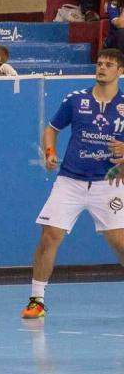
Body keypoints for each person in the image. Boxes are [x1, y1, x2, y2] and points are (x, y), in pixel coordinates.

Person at [22, 48, 124, 319]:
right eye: (100, 63)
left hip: (109, 182)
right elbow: (52, 129)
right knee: (49, 236)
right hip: (70, 180)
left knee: (120, 243)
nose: (102, 67)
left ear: (120, 71)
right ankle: (37, 300)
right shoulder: (76, 99)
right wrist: (50, 152)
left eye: (109, 64)